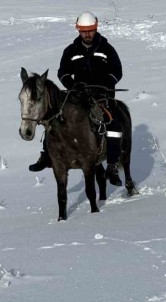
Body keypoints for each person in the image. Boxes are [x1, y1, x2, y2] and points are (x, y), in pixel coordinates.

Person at [28, 11, 125, 184]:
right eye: (84, 31)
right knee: (53, 117)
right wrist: (71, 85)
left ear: (96, 28)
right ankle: (46, 156)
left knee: (114, 123)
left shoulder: (107, 49)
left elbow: (117, 72)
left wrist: (106, 84)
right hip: (77, 96)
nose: (87, 34)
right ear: (78, 30)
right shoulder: (71, 51)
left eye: (91, 30)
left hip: (102, 96)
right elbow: (62, 72)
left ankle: (112, 166)